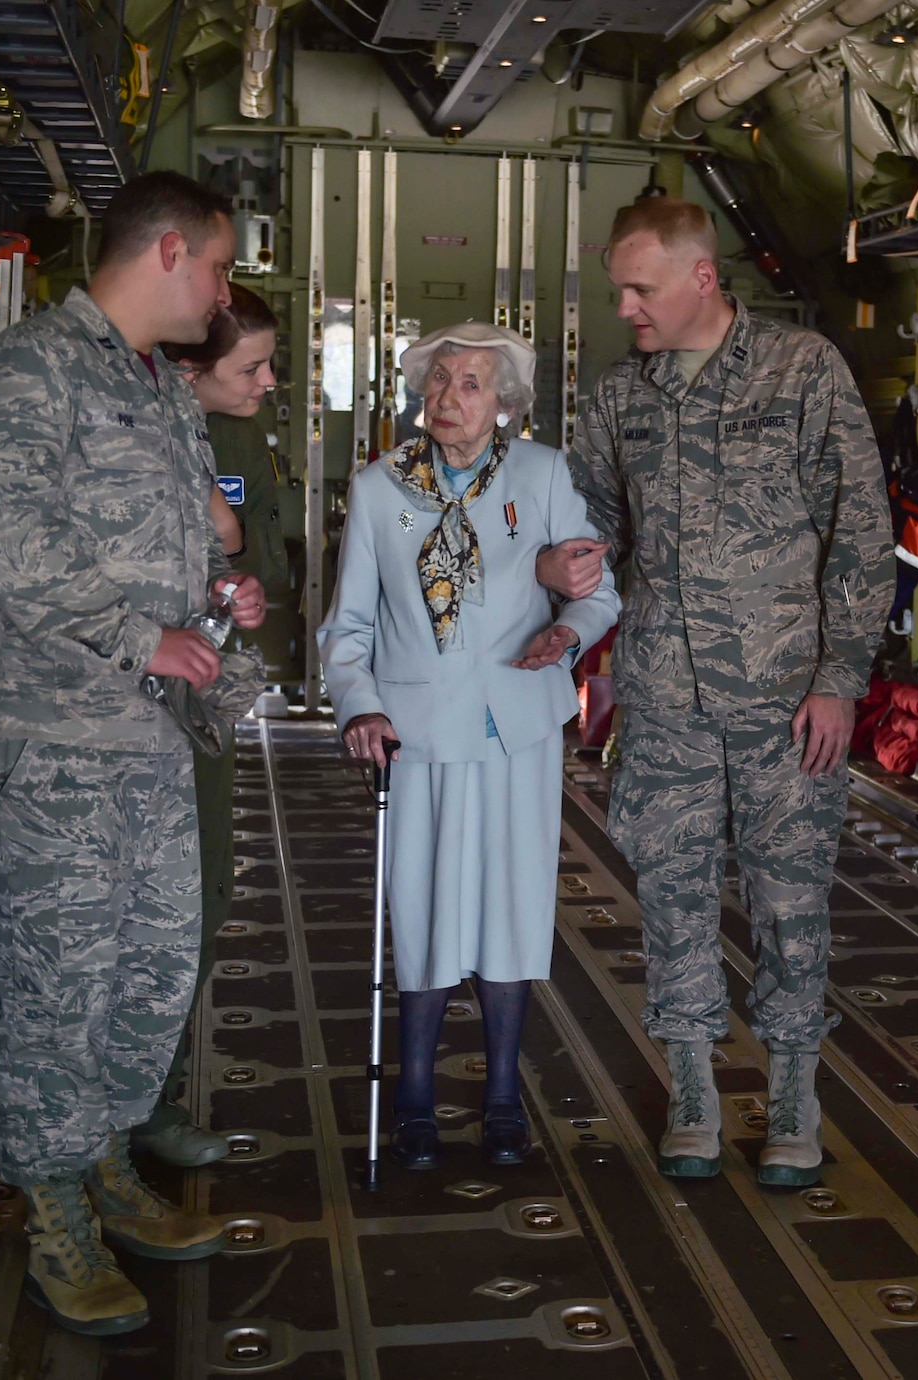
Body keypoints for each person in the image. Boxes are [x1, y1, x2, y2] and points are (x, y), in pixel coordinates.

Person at [0, 170, 269, 1337]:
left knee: (150, 969)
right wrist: (149, 635)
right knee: (57, 984)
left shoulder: (160, 389)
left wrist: (215, 596)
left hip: (148, 741)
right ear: (171, 251)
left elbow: (167, 546)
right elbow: (8, 535)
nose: (226, 292)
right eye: (222, 266)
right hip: (53, 743)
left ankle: (106, 1166)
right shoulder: (32, 368)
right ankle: (52, 1212)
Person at [549, 198, 892, 1187]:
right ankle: (693, 1091)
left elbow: (861, 542)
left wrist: (837, 682)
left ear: (702, 278)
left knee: (789, 905)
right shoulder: (621, 399)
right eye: (617, 286)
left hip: (787, 702)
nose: (625, 306)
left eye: (639, 287)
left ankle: (792, 1095)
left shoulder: (800, 373)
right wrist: (552, 574)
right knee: (671, 897)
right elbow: (590, 532)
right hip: (662, 698)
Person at [319, 322, 618, 1169]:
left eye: (471, 384)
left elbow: (598, 586)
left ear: (505, 405)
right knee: (420, 908)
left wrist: (566, 632)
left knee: (514, 909)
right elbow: (347, 628)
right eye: (440, 380)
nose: (449, 398)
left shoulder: (544, 474)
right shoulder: (381, 489)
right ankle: (414, 1098)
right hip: (418, 732)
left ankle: (500, 1098)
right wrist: (359, 709)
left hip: (519, 721)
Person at [118, 284, 281, 1169]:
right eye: (249, 366)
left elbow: (248, 545)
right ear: (188, 368)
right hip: (107, 707)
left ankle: (154, 1102)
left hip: (192, 707)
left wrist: (236, 581)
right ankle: (102, 1125)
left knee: (198, 900)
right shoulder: (121, 425)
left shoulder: (232, 438)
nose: (265, 383)